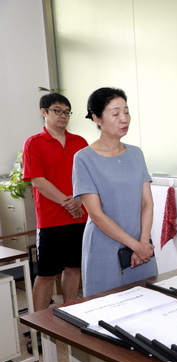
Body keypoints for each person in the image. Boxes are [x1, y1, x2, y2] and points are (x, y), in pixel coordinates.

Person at [73, 87, 157, 296]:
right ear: (96, 118)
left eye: (126, 111)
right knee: (106, 307)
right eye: (115, 113)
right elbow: (97, 215)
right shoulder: (84, 158)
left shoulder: (136, 154)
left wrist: (143, 243)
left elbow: (147, 203)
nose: (124, 118)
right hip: (105, 247)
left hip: (141, 246)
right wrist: (136, 246)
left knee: (148, 302)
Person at [23, 93, 88, 312]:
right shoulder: (33, 143)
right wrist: (68, 203)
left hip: (80, 216)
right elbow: (38, 181)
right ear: (44, 112)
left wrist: (78, 201)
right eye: (57, 111)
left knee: (74, 269)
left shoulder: (80, 142)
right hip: (51, 220)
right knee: (46, 275)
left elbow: (88, 177)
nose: (63, 116)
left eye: (67, 112)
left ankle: (70, 313)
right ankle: (39, 324)